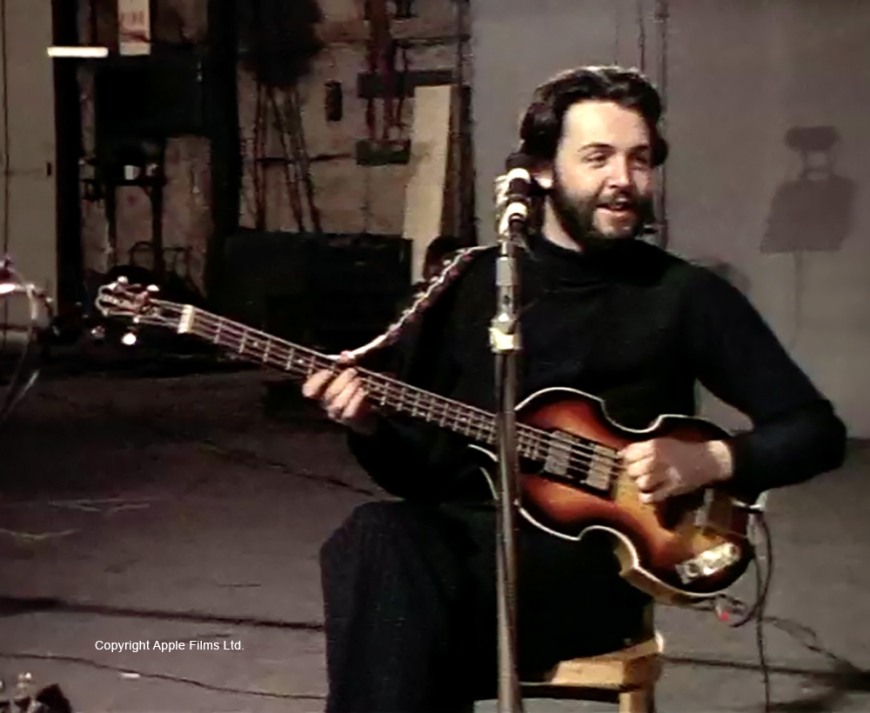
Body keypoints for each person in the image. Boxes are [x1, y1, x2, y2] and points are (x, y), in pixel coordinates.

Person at [302, 66, 847, 713]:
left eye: (639, 159)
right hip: (461, 555)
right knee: (377, 539)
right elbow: (418, 476)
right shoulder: (470, 285)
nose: (624, 179)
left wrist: (711, 459)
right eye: (598, 157)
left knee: (399, 620)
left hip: (588, 573)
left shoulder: (684, 296)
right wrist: (368, 425)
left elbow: (816, 431)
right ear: (540, 172)